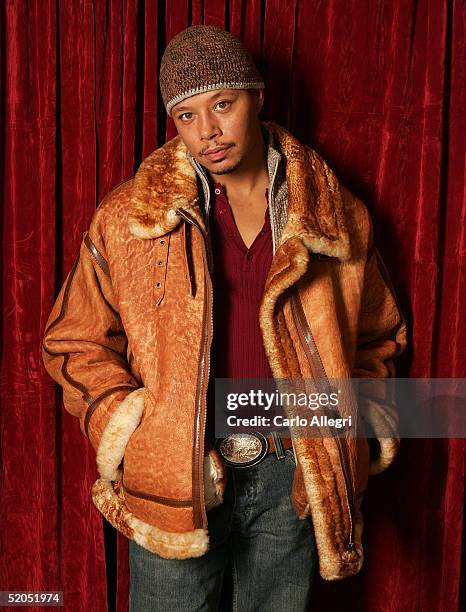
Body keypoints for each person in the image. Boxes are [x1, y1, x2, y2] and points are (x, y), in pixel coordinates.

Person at [42, 24, 407, 612]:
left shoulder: (334, 215)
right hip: (177, 481)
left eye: (222, 104)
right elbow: (73, 340)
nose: (207, 132)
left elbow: (377, 337)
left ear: (256, 97)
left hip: (291, 476)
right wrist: (133, 427)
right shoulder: (128, 219)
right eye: (186, 116)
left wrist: (351, 428)